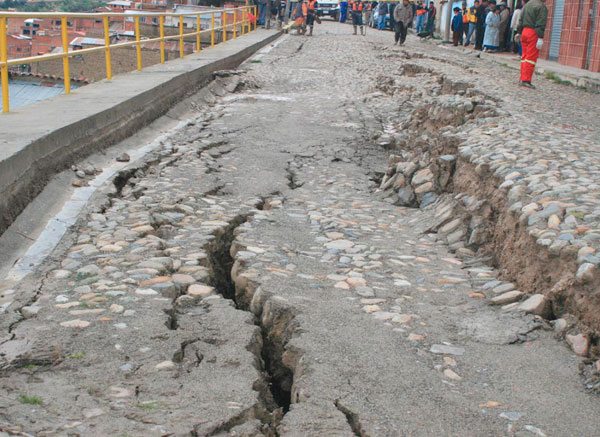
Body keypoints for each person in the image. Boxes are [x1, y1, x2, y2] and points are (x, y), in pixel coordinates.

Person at [516, 0, 548, 87]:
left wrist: (519, 32)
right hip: (533, 33)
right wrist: (540, 37)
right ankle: (526, 80)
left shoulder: (527, 5)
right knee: (531, 58)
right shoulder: (541, 7)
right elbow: (541, 23)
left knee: (524, 56)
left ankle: (522, 78)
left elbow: (520, 20)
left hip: (524, 32)